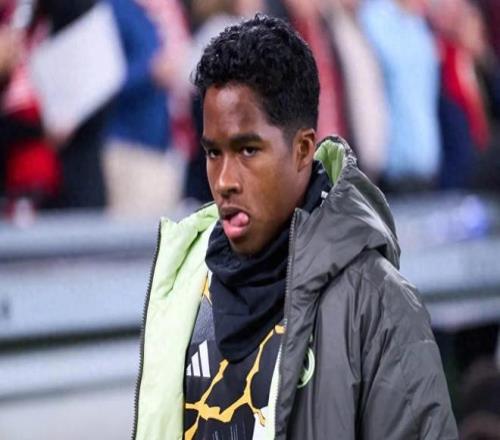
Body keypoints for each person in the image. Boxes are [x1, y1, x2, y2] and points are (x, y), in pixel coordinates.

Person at [133, 14, 458, 439]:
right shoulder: (183, 284)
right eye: (213, 153)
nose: (225, 180)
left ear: (303, 149)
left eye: (248, 150)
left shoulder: (377, 303)